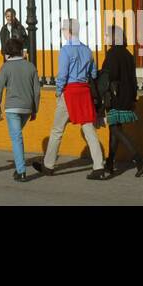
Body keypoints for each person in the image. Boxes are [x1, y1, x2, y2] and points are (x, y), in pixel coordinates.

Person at [33, 19, 109, 180]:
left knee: (57, 130)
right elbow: (93, 74)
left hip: (70, 92)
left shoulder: (66, 50)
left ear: (68, 31)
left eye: (63, 30)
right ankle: (98, 166)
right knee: (89, 129)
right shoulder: (87, 50)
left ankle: (48, 165)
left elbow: (62, 75)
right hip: (84, 91)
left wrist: (59, 92)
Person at [100, 25, 143, 177]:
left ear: (113, 38)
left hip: (115, 97)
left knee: (116, 129)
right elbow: (133, 78)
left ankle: (139, 158)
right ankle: (110, 163)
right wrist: (133, 98)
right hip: (127, 96)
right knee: (114, 129)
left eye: (107, 35)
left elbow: (110, 75)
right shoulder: (128, 55)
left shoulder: (112, 55)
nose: (105, 38)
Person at [0, 37, 40, 181]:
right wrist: (35, 109)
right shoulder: (30, 66)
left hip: (12, 107)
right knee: (17, 136)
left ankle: (21, 171)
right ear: (20, 50)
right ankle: (19, 169)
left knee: (16, 138)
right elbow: (37, 91)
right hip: (27, 107)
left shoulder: (6, 67)